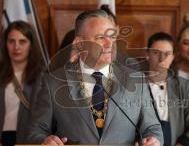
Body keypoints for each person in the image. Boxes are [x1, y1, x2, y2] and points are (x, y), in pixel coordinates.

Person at [27, 9, 163, 145]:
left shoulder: (135, 79)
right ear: (79, 43)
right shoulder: (53, 82)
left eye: (112, 36)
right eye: (100, 37)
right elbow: (35, 132)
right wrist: (45, 140)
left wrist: (154, 140)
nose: (110, 44)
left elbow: (152, 128)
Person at [146, 32, 189, 146]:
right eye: (156, 53)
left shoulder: (183, 86)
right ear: (147, 54)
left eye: (167, 53)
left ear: (172, 57)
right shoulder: (134, 88)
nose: (162, 59)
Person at [0, 21, 43, 146]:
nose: (16, 47)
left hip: (29, 139)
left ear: (31, 44)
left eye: (22, 41)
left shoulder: (43, 76)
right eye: (11, 41)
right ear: (5, 44)